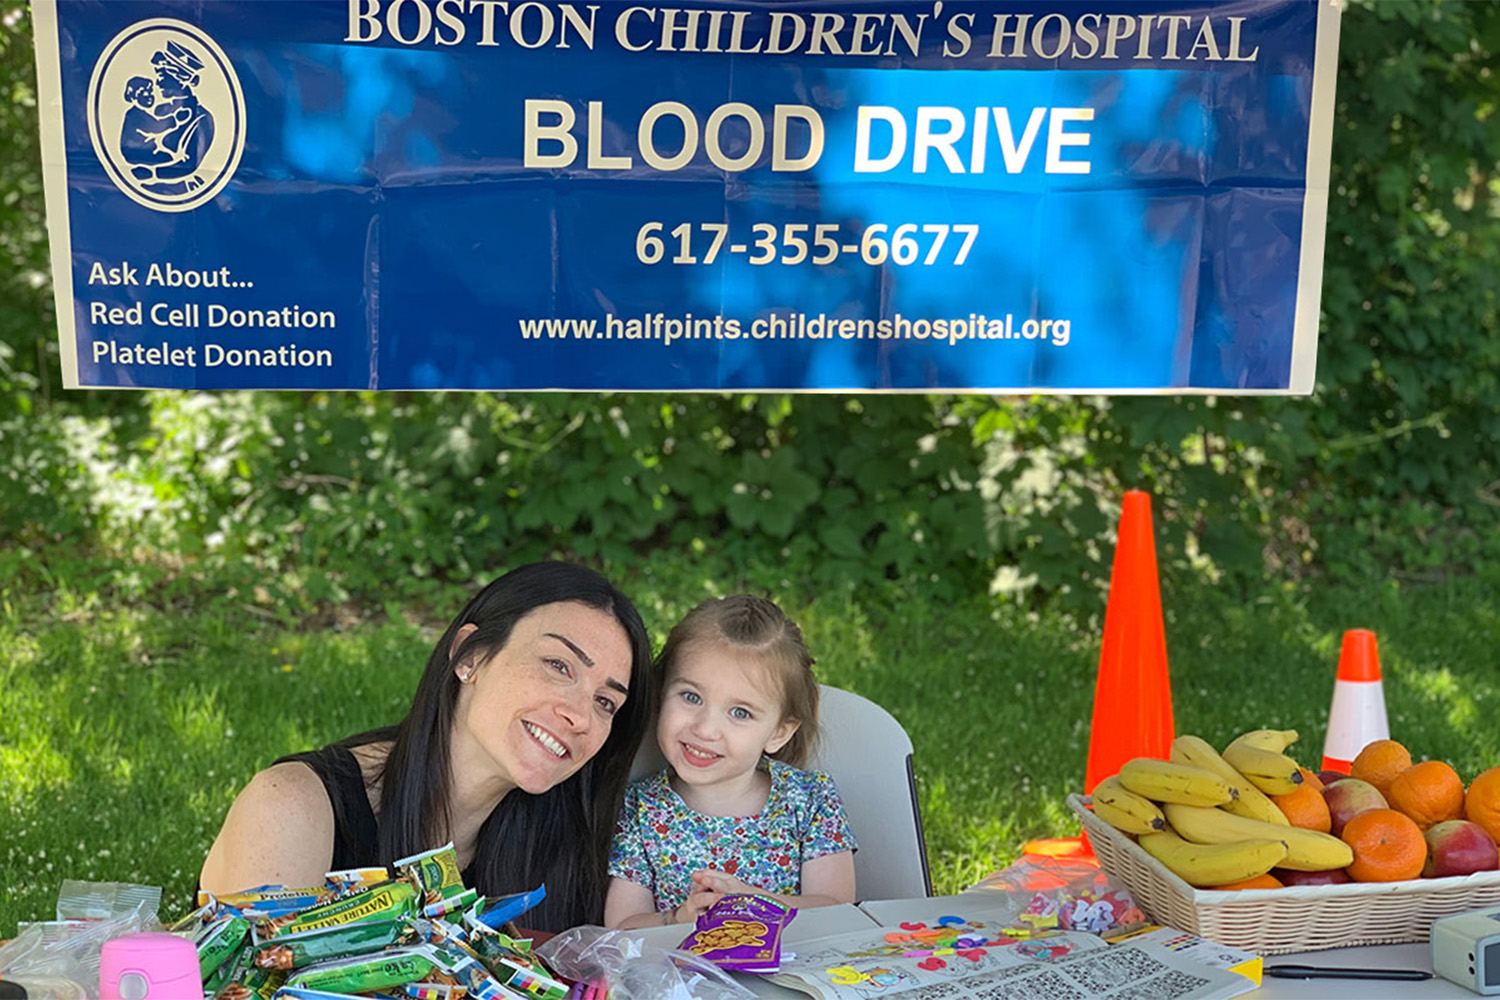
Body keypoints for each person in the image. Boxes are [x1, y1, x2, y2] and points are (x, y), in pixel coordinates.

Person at [199, 561, 654, 931]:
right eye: (558, 665)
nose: (580, 716)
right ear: (470, 656)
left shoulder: (564, 832)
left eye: (606, 702)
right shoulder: (296, 806)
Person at [603, 594, 856, 929]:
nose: (705, 729)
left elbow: (837, 910)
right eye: (691, 697)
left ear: (779, 732)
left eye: (740, 712)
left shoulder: (809, 801)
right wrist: (679, 918)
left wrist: (752, 903)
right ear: (661, 694)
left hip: (792, 979)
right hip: (676, 979)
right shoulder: (640, 809)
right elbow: (620, 927)